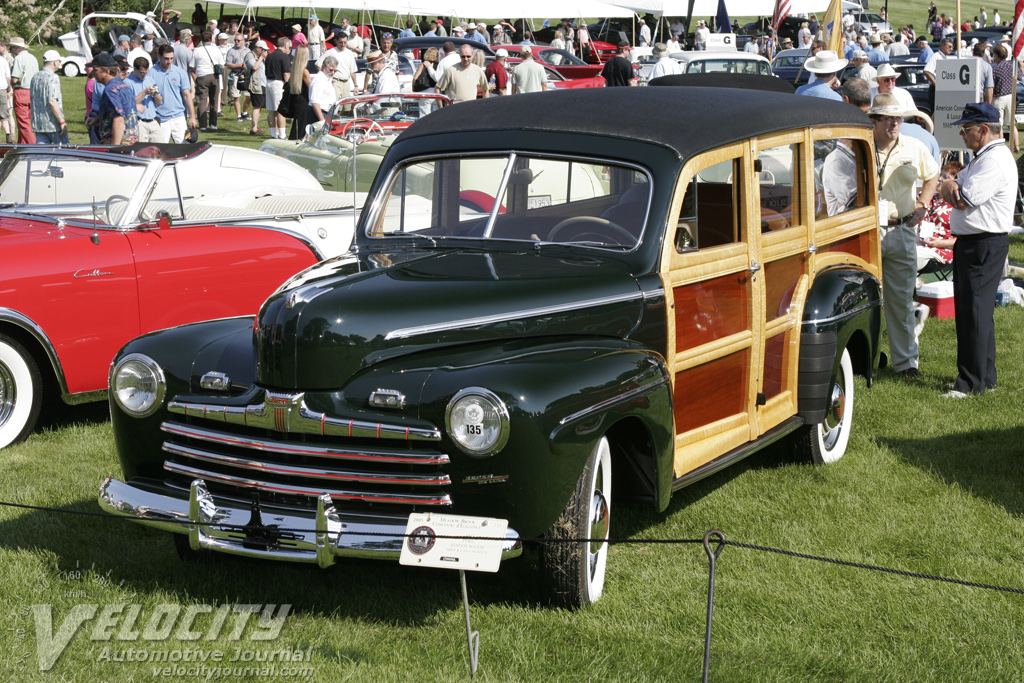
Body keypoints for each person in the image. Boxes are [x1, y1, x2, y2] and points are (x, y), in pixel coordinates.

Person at [938, 103, 1018, 396]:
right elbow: (953, 185)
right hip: (976, 242)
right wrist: (949, 185)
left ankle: (970, 383)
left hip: (983, 243)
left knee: (973, 312)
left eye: (966, 128)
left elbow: (962, 198)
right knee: (977, 312)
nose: (961, 133)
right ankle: (984, 377)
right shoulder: (983, 157)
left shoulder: (993, 160)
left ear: (983, 130)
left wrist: (947, 186)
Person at [870, 93, 939, 377]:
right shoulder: (860, 145)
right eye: (888, 118)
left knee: (900, 299)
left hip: (901, 229)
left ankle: (906, 364)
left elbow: (932, 175)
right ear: (873, 120)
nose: (895, 123)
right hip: (867, 232)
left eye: (898, 118)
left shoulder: (915, 146)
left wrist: (923, 205)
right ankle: (867, 360)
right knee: (863, 300)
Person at [146, 44, 197, 142]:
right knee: (161, 151)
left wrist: (192, 116)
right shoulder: (151, 73)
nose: (169, 61)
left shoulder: (179, 72)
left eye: (171, 58)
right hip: (160, 118)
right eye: (166, 58)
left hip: (178, 116)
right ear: (159, 57)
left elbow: (186, 95)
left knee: (184, 149)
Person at [918, 160, 964, 269]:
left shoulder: (958, 205)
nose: (940, 179)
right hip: (918, 241)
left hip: (941, 249)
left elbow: (963, 240)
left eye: (945, 177)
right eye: (940, 175)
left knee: (909, 256)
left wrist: (939, 243)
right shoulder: (926, 198)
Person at [86, 54, 138, 144]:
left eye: (96, 70)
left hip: (119, 141)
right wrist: (100, 119)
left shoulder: (110, 90)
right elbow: (123, 113)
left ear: (107, 72)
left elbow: (119, 119)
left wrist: (114, 149)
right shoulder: (124, 86)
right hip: (131, 142)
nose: (93, 73)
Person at [30, 50, 67, 144]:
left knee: (40, 157)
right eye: (59, 61)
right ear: (55, 62)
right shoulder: (53, 77)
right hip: (53, 125)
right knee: (65, 155)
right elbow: (52, 101)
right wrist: (62, 122)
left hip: (39, 125)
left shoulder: (35, 76)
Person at [124, 57, 161, 142]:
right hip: (139, 123)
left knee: (161, 149)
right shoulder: (127, 82)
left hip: (153, 120)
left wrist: (155, 94)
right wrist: (144, 93)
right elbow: (129, 104)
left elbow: (159, 102)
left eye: (145, 73)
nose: (143, 75)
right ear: (134, 69)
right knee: (141, 151)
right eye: (141, 73)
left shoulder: (150, 79)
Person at [191, 30, 223, 131]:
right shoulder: (216, 50)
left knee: (202, 101)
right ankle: (213, 124)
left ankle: (203, 125)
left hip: (202, 76)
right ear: (211, 39)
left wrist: (195, 77)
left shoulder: (197, 50)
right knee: (214, 99)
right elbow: (222, 65)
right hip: (214, 76)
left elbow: (192, 66)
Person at [9, 37, 37, 144]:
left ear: (16, 48)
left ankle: (34, 148)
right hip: (33, 91)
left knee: (23, 123)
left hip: (21, 91)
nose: (11, 50)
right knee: (27, 121)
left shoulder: (18, 59)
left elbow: (15, 79)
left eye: (11, 48)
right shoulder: (33, 57)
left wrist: (10, 84)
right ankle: (22, 147)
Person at [990, 44, 1019, 152]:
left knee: (999, 124)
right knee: (1011, 124)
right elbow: (1019, 74)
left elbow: (991, 85)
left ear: (997, 55)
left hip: (999, 98)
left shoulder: (995, 69)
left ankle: (1001, 147)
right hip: (1010, 96)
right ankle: (1016, 146)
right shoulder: (1011, 66)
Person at [265, 36, 292, 139]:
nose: (289, 49)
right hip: (277, 83)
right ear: (285, 46)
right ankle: (282, 135)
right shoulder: (284, 57)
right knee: (281, 110)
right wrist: (289, 85)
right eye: (288, 47)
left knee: (271, 111)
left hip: (269, 82)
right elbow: (286, 74)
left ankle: (273, 135)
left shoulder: (270, 56)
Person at [319, 30, 357, 101]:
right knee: (336, 107)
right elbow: (318, 64)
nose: (343, 44)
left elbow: (353, 71)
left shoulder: (349, 53)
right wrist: (327, 77)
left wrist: (356, 86)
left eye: (345, 42)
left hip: (346, 83)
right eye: (341, 42)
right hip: (336, 82)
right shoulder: (330, 52)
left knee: (347, 108)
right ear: (336, 41)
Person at [285, 45, 310, 139]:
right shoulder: (305, 71)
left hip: (296, 99)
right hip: (303, 101)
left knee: (297, 126)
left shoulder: (295, 69)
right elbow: (311, 87)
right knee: (302, 127)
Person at [225, 33, 251, 122]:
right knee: (236, 96)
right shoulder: (231, 51)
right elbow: (228, 65)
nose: (237, 42)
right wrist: (239, 65)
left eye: (239, 40)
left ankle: (245, 112)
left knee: (249, 95)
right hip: (235, 74)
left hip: (246, 75)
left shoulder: (248, 51)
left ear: (243, 41)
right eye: (235, 40)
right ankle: (239, 115)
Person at [308, 55, 336, 124]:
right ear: (323, 66)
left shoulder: (326, 79)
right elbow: (315, 102)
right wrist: (322, 121)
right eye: (330, 70)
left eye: (335, 71)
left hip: (326, 114)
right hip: (318, 115)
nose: (332, 73)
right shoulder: (318, 79)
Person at [0, 41, 12, 143]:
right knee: (4, 115)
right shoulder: (3, 61)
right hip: (2, 89)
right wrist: (9, 89)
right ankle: (8, 136)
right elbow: (8, 78)